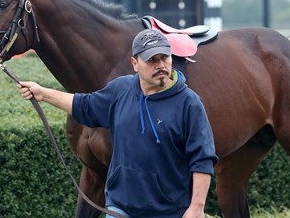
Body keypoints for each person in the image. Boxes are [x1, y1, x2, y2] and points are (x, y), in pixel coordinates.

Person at [18, 29, 218, 218]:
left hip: (168, 212)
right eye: (151, 60)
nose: (160, 65)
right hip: (119, 208)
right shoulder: (120, 89)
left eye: (164, 58)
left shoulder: (189, 103)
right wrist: (43, 93)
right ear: (135, 63)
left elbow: (202, 158)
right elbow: (84, 105)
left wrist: (196, 208)